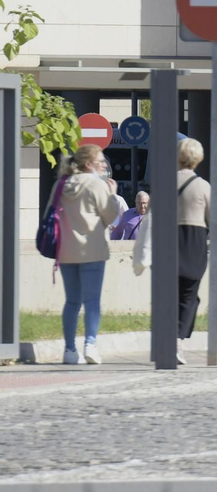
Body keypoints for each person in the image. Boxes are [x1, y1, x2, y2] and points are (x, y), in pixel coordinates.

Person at [55, 144, 122, 365]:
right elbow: (111, 216)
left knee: (71, 301)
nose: (103, 165)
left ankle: (69, 350)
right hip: (92, 250)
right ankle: (90, 345)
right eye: (100, 161)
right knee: (92, 300)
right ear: (89, 164)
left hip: (66, 250)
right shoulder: (97, 184)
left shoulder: (61, 183)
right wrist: (112, 194)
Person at [174, 137, 213, 365]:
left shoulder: (164, 181)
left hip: (168, 240)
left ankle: (167, 336)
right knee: (189, 295)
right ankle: (177, 341)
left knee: (169, 292)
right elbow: (213, 218)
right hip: (193, 241)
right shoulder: (202, 186)